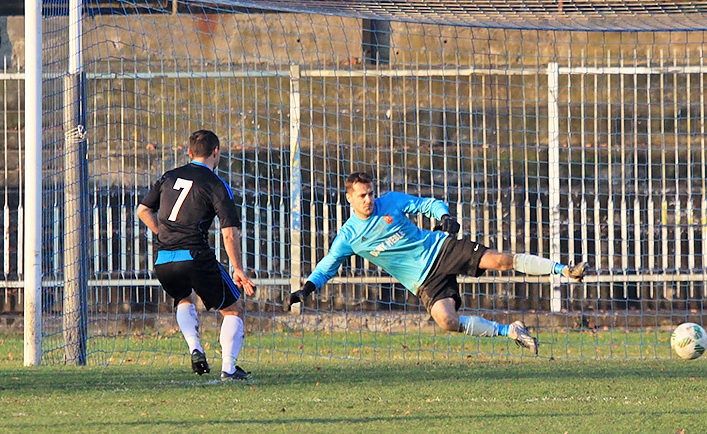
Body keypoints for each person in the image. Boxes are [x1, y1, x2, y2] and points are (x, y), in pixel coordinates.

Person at [285, 171, 587, 356]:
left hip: (441, 248)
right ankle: (510, 331)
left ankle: (563, 270)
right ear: (350, 198)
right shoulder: (348, 236)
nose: (369, 199)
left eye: (371, 193)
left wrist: (444, 217)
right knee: (447, 321)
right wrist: (306, 289)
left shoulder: (391, 201)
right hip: (423, 280)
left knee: (501, 261)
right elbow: (328, 265)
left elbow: (427, 204)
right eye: (363, 195)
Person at [137, 129, 257, 380]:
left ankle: (195, 348)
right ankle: (229, 368)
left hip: (164, 259)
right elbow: (229, 233)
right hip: (195, 255)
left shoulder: (169, 177)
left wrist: (164, 234)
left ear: (189, 153)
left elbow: (143, 210)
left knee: (183, 298)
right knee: (233, 310)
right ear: (216, 152)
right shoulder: (215, 183)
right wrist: (238, 269)